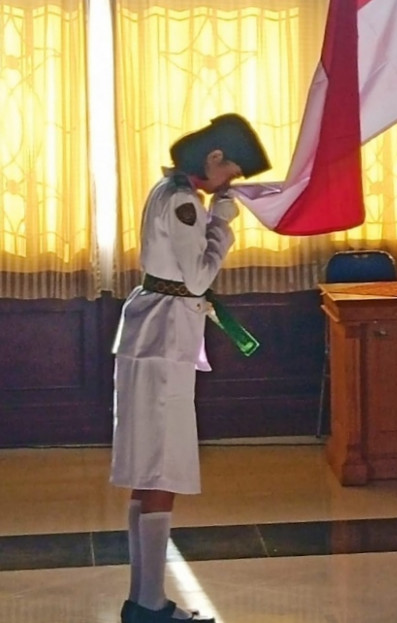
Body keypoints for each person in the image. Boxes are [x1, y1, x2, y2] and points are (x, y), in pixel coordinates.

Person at [111, 114, 270, 623]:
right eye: (233, 172)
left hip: (151, 334)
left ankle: (144, 600)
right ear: (214, 159)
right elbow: (198, 278)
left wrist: (213, 213)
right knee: (161, 470)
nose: (233, 183)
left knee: (147, 469)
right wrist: (221, 224)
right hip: (163, 343)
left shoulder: (169, 190)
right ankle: (150, 604)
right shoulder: (184, 202)